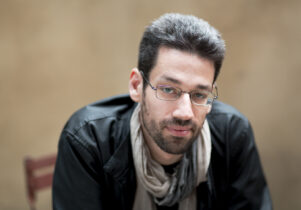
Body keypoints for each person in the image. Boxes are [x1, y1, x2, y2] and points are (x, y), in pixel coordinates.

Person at [52, 13, 273, 210]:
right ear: (137, 86)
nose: (185, 113)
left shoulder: (233, 134)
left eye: (199, 94)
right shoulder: (87, 140)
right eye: (168, 90)